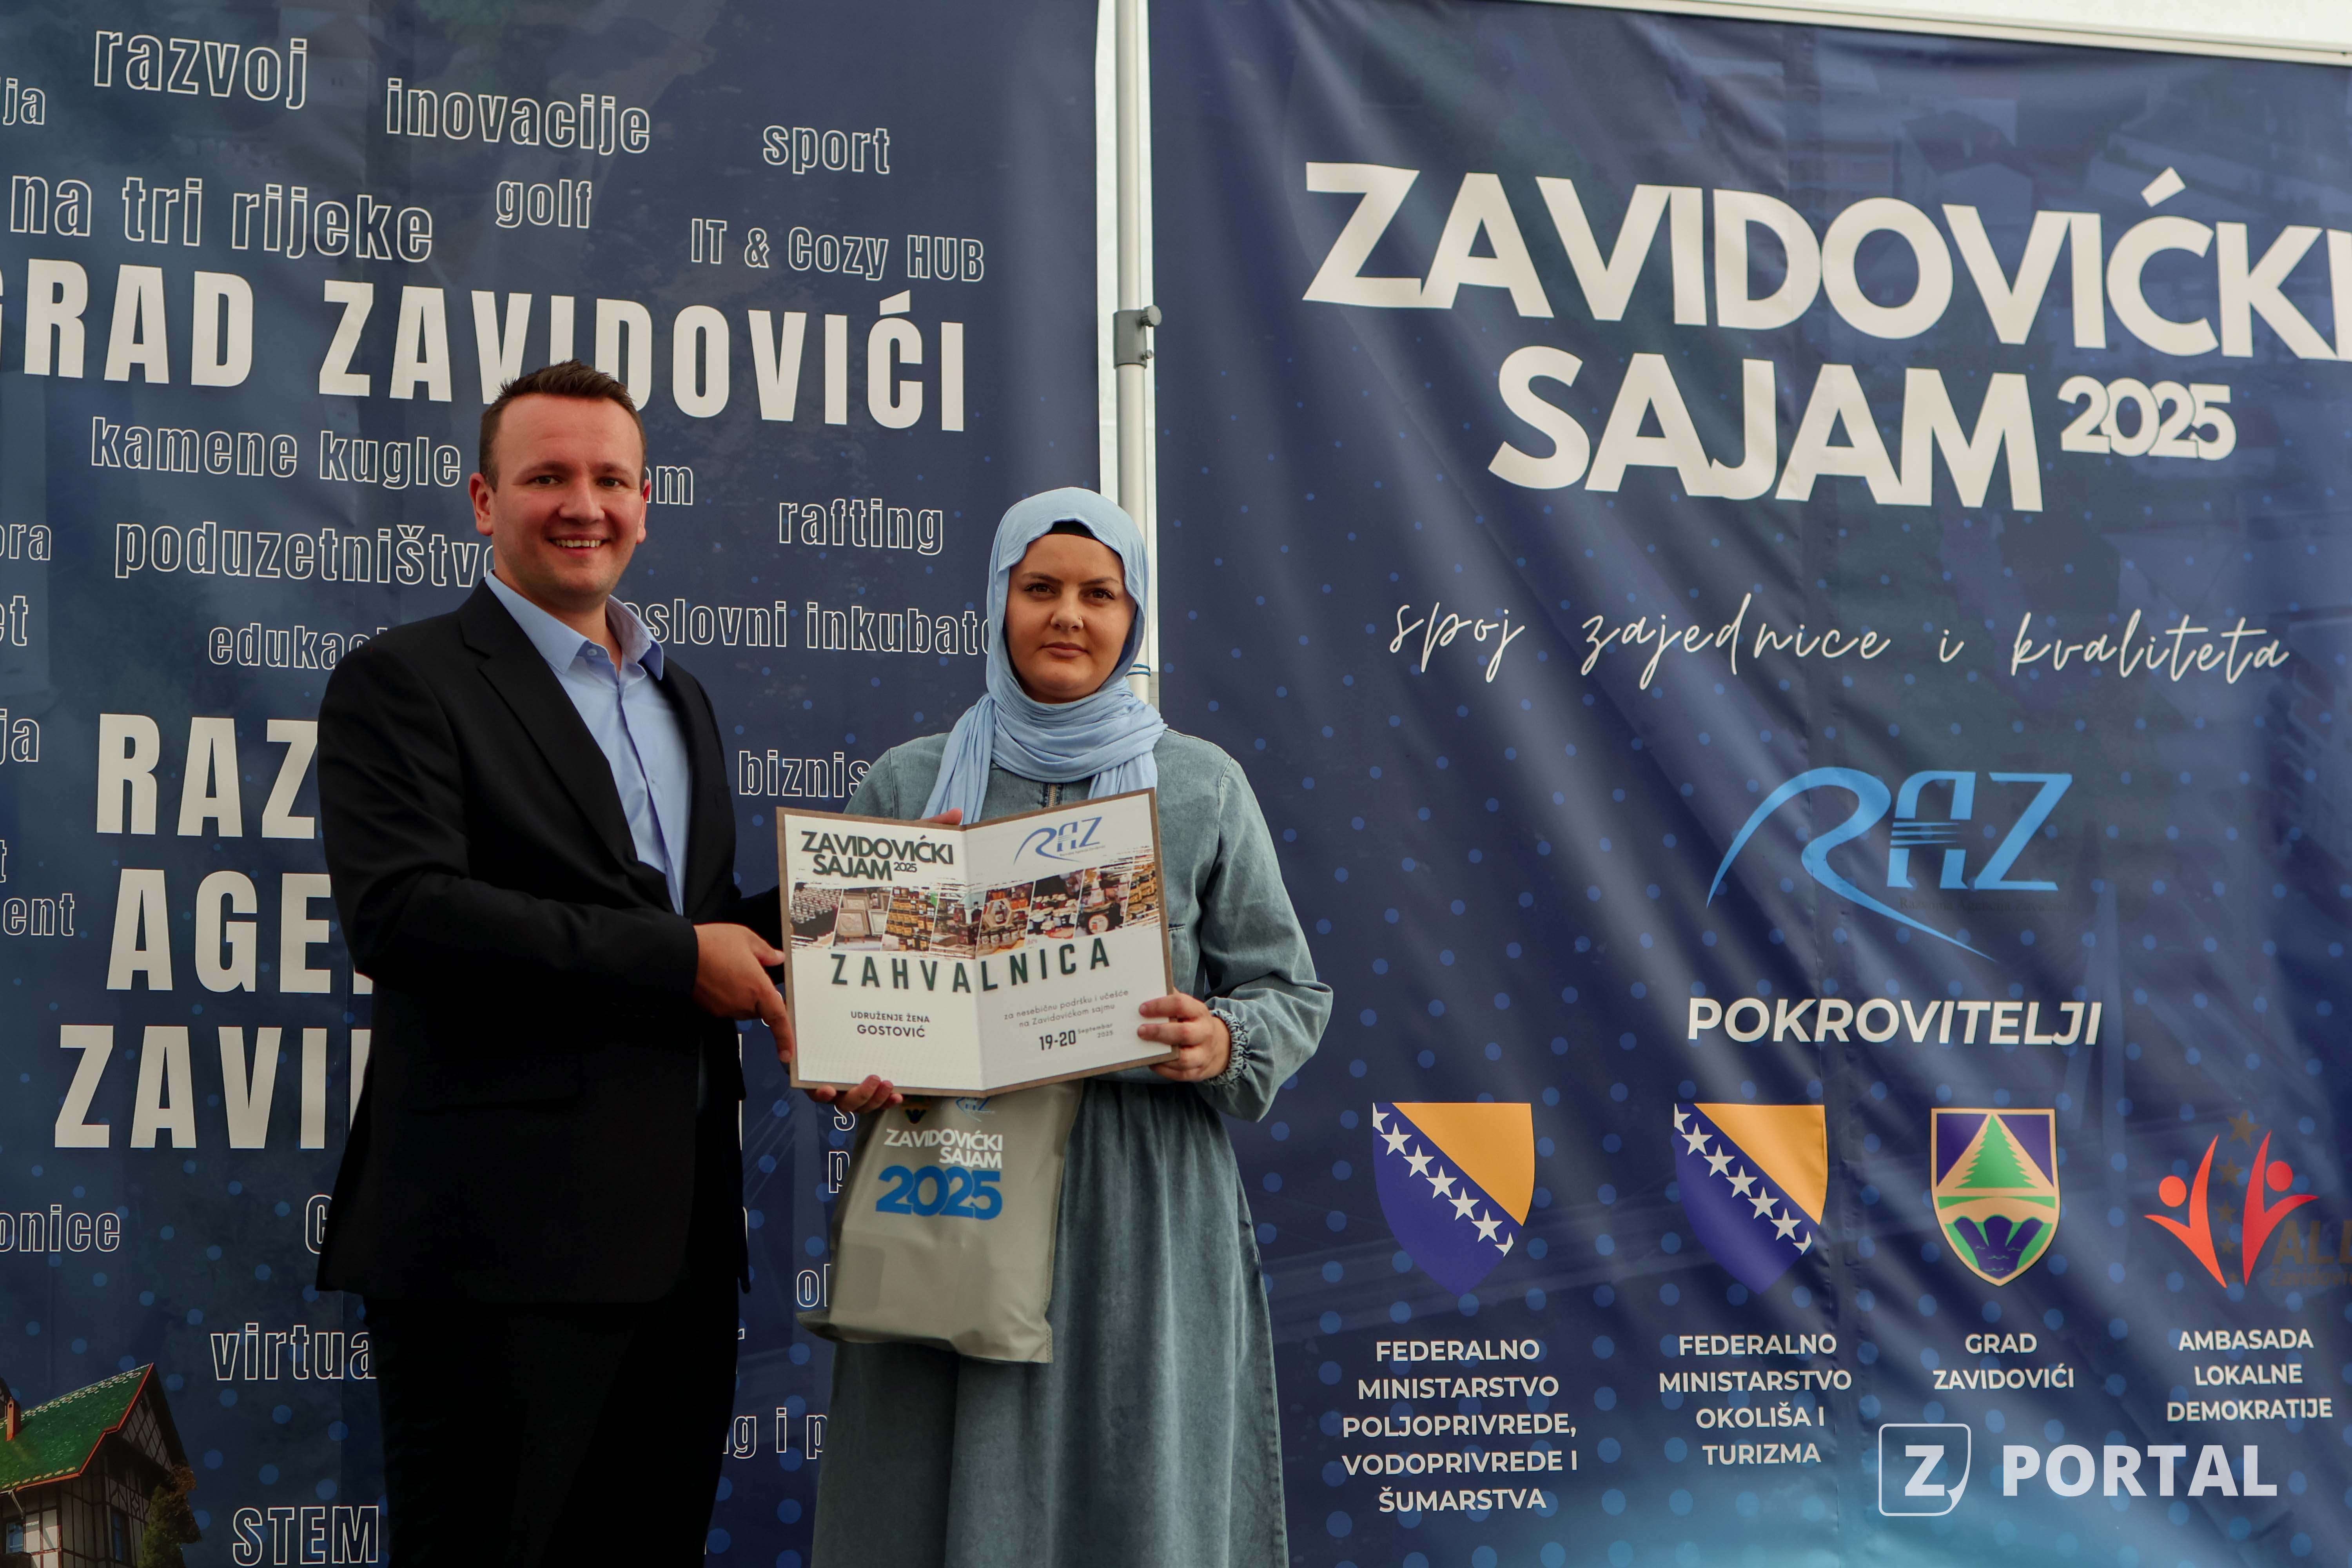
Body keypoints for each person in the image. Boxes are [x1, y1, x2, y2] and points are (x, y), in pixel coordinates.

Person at [311, 361, 894, 1567]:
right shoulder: (402, 680)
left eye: (612, 480)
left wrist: (881, 904)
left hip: (680, 1249)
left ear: (646, 502)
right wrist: (680, 957)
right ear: (484, 500)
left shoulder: (682, 698)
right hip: (496, 1254)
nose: (585, 506)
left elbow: (700, 923)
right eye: (549, 478)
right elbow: (406, 915)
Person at [809, 488, 1332, 1567]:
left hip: (1142, 1205)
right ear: (996, 603)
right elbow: (849, 1008)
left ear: (1133, 620)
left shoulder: (1201, 786)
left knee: (1139, 1491)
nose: (1067, 615)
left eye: (1100, 595)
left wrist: (1222, 1040)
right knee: (929, 1483)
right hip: (953, 1179)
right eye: (1039, 588)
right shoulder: (911, 781)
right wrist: (854, 1063)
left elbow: (1289, 992)